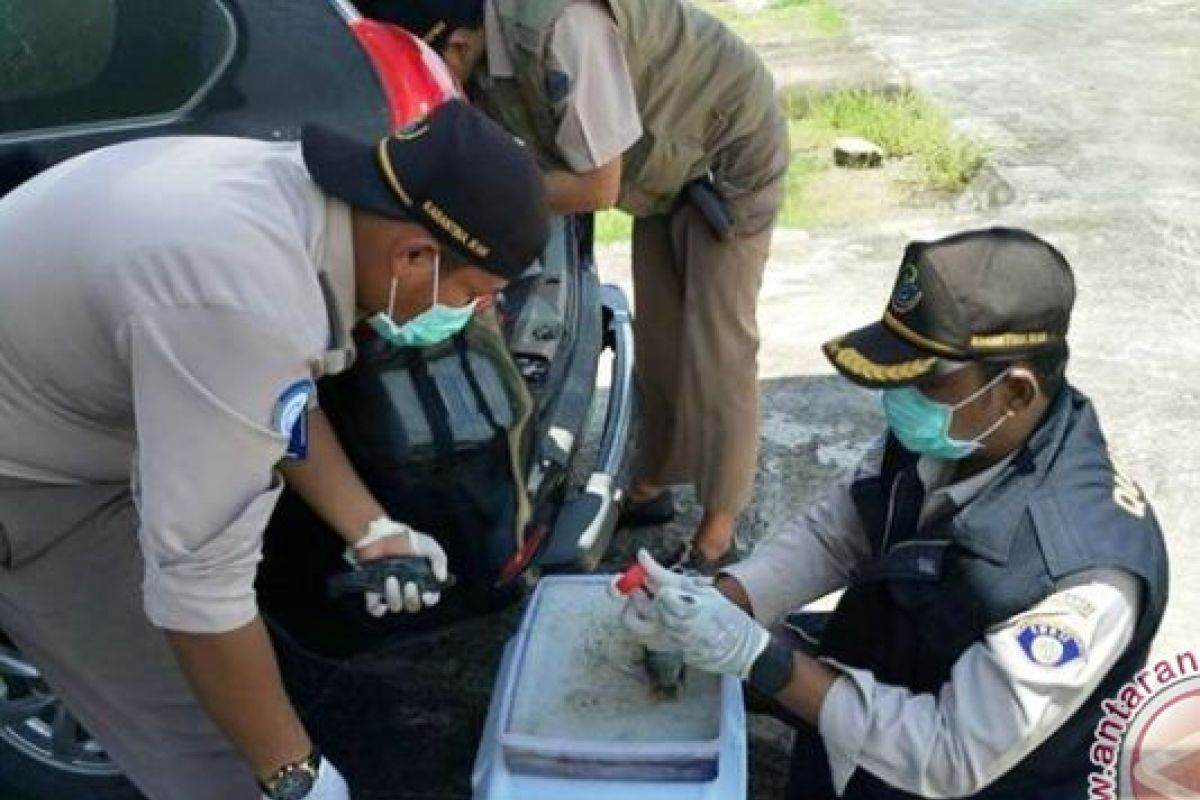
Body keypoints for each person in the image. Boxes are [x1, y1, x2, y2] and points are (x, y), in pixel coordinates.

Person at [0, 99, 548, 800]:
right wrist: (294, 776)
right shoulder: (240, 296)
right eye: (475, 293)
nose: (476, 315)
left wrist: (372, 528)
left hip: (64, 412)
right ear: (415, 254)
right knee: (213, 751)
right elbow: (201, 597)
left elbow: (280, 391)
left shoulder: (295, 203)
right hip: (28, 480)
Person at [618, 228, 1170, 799]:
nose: (899, 398)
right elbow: (843, 528)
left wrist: (760, 657)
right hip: (870, 704)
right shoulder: (961, 430)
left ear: (1016, 393)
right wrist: (722, 600)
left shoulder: (1080, 574)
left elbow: (948, 755)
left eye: (925, 380)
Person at [368, 0, 790, 573]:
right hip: (660, 160)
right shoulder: (485, 41)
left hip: (727, 143)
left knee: (718, 347)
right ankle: (652, 479)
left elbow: (596, 186)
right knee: (664, 340)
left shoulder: (565, 27)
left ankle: (718, 534)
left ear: (459, 47)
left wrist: (469, 208)